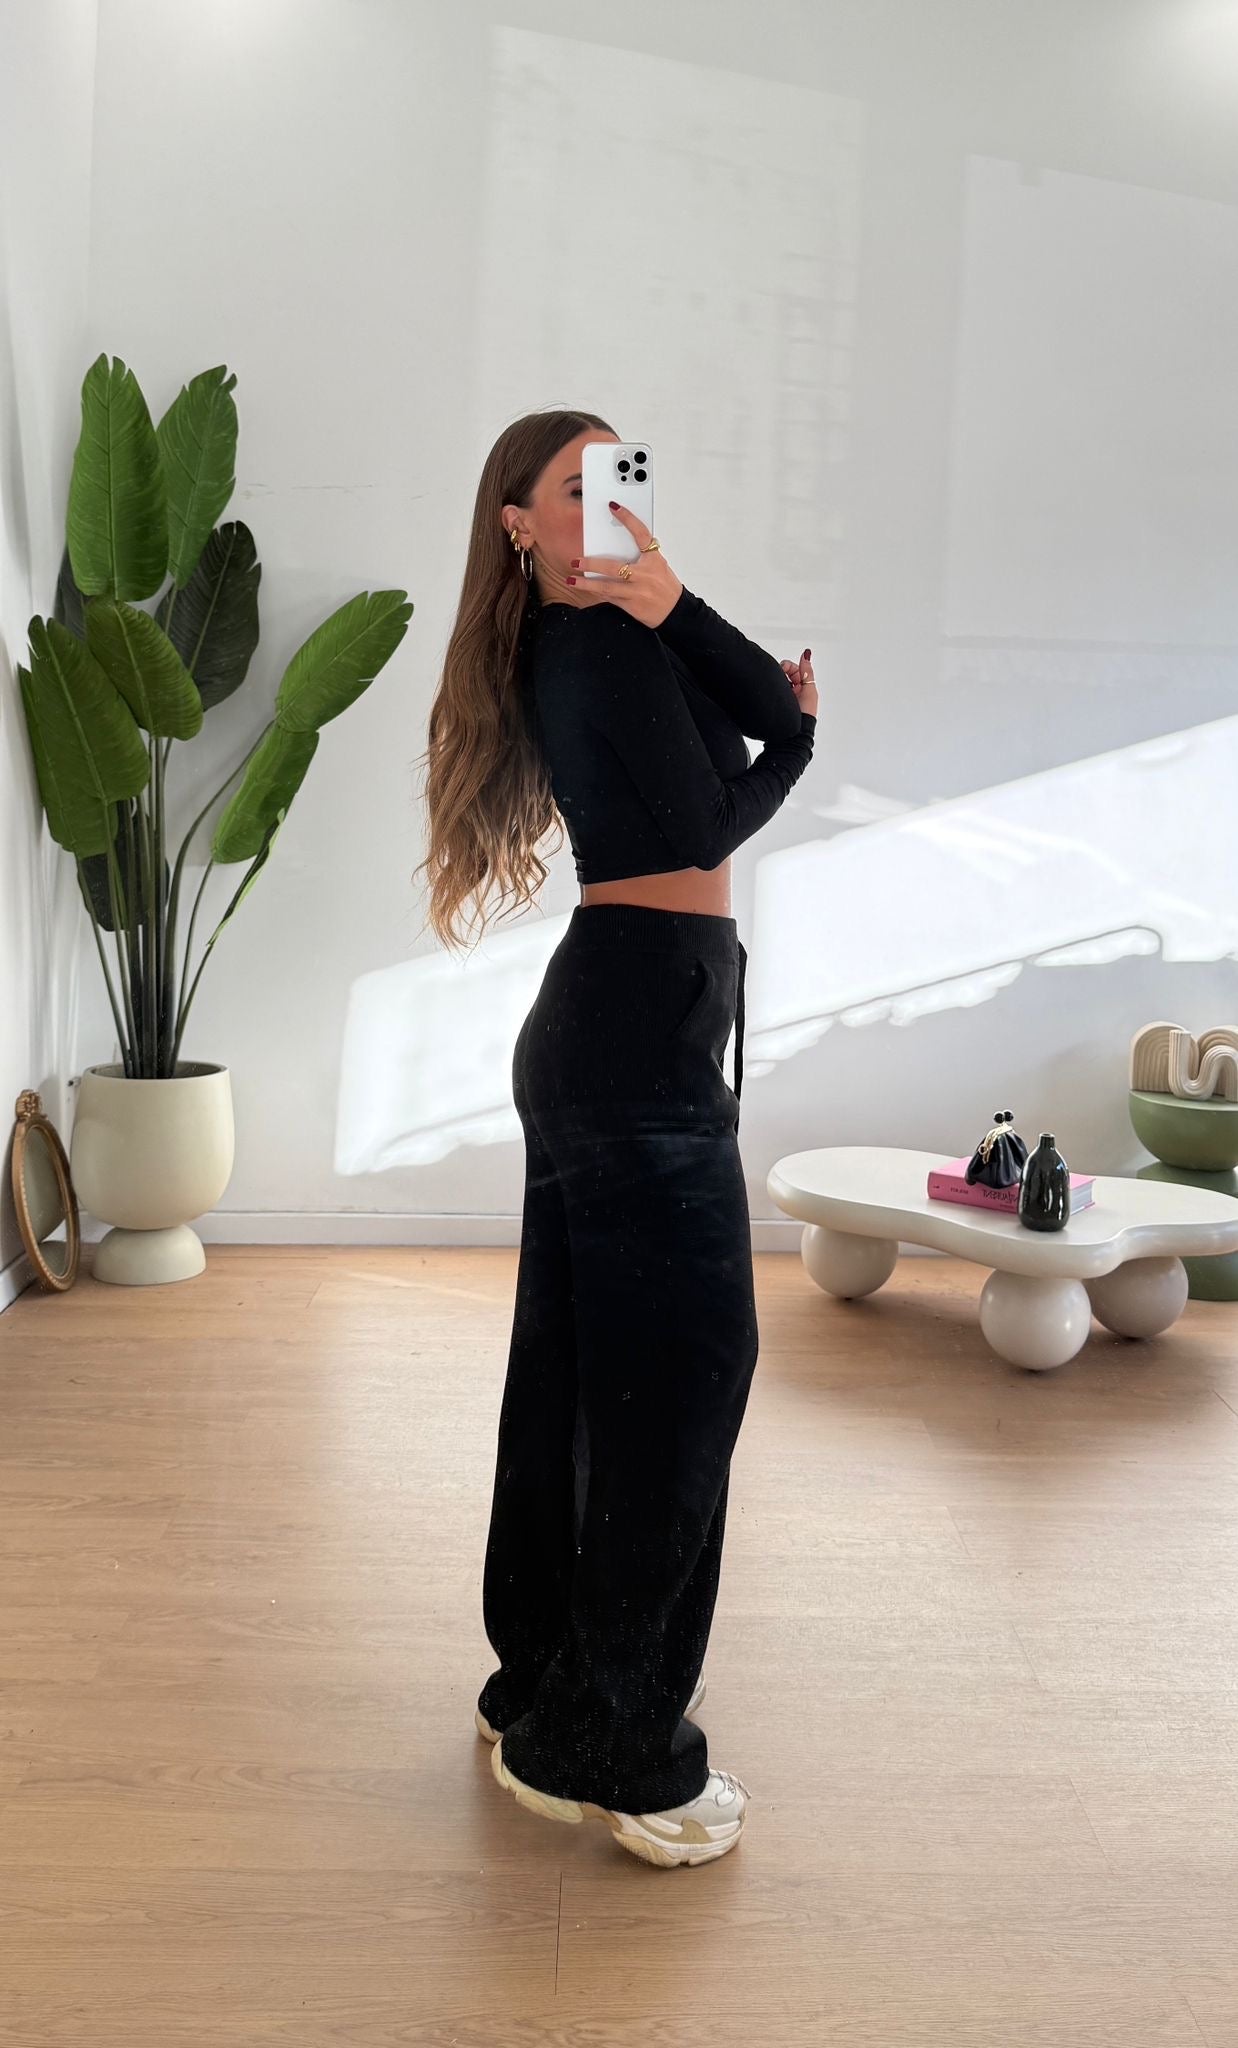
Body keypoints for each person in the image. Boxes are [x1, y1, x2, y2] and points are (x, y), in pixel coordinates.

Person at [414, 410, 817, 1869]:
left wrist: (676, 602)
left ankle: (541, 1679)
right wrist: (801, 735)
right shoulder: (587, 651)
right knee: (688, 1374)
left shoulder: (619, 632)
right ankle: (607, 1748)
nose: (607, 501)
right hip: (633, 1034)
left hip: (631, 1022)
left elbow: (755, 707)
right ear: (517, 522)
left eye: (622, 477)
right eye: (576, 486)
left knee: (585, 1374)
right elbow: (719, 807)